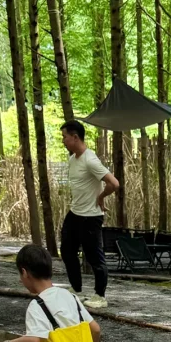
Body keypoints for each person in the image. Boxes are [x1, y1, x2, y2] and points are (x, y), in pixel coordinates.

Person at [59, 120, 119, 309]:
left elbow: (114, 183)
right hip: (75, 213)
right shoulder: (72, 159)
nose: (63, 141)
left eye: (65, 137)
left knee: (94, 257)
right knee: (67, 251)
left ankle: (100, 296)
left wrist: (101, 197)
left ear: (75, 137)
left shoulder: (90, 160)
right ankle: (76, 290)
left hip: (91, 216)